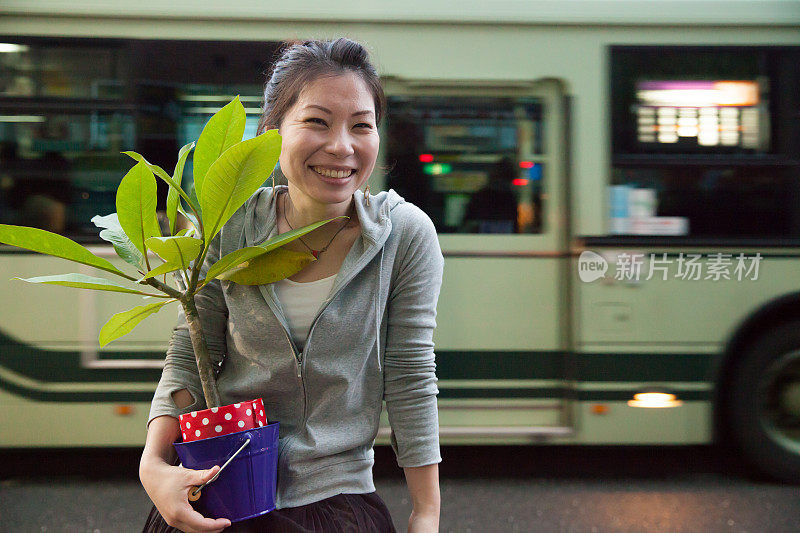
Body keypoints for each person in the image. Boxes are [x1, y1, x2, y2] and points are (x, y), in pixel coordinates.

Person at [139, 38, 443, 533]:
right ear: (273, 132)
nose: (342, 146)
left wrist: (425, 513)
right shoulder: (227, 225)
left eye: (361, 126)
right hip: (222, 489)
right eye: (317, 122)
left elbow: (410, 375)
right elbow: (190, 350)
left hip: (337, 501)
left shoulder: (403, 235)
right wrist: (153, 465)